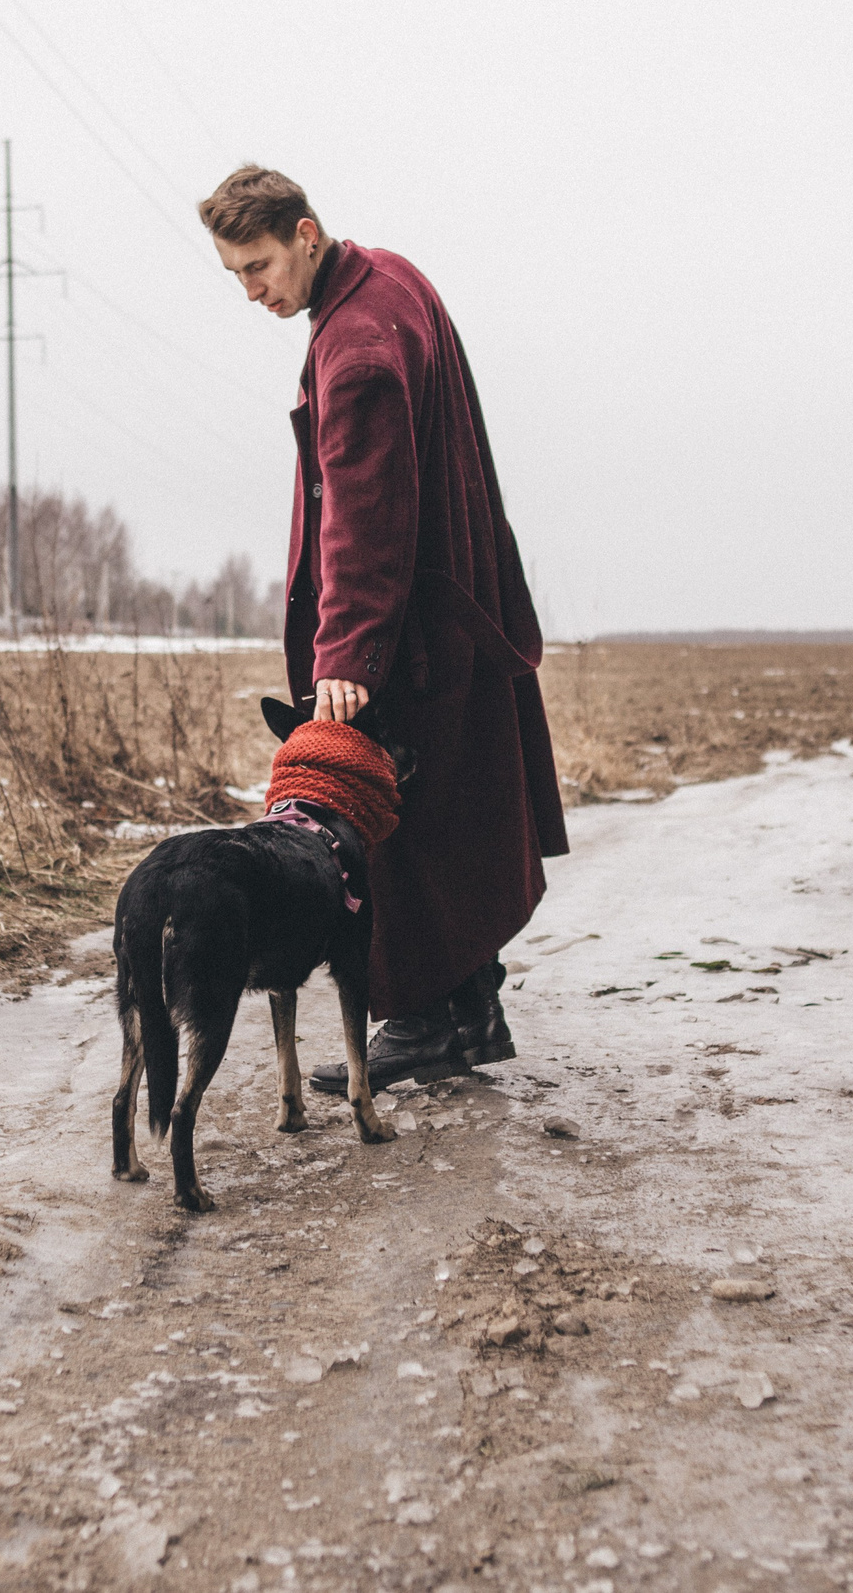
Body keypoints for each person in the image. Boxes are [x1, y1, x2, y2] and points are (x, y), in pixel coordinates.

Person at [198, 164, 567, 1091]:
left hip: (404, 630)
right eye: (237, 275)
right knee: (449, 816)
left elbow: (364, 509)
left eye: (258, 267)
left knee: (389, 819)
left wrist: (346, 653)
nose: (252, 291)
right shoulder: (389, 279)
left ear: (306, 234)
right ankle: (472, 1014)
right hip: (450, 608)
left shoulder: (356, 346)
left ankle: (421, 1023)